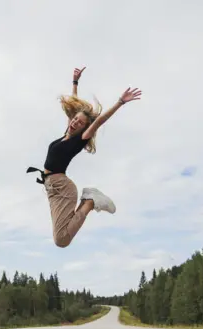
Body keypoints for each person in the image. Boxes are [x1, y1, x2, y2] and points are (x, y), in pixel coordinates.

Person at [27, 66, 142, 247]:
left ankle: (89, 202)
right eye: (74, 119)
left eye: (80, 123)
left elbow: (98, 121)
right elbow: (74, 106)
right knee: (60, 238)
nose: (75, 122)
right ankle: (88, 200)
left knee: (62, 240)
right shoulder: (67, 134)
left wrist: (120, 102)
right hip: (52, 188)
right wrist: (75, 81)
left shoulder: (80, 139)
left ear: (83, 128)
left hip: (62, 187)